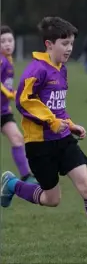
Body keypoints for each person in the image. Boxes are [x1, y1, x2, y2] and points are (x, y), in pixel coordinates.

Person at [0, 17, 87, 253]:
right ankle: (11, 184)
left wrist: (70, 125)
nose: (69, 48)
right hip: (39, 145)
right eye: (64, 43)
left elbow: (58, 108)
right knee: (52, 199)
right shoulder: (36, 69)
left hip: (63, 141)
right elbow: (24, 101)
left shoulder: (62, 69)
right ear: (49, 44)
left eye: (71, 43)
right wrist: (52, 122)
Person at [1, 25, 37, 184]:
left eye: (10, 40)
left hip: (3, 111)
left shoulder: (8, 61)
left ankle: (26, 177)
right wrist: (8, 94)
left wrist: (9, 95)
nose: (7, 44)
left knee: (17, 138)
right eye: (2, 41)